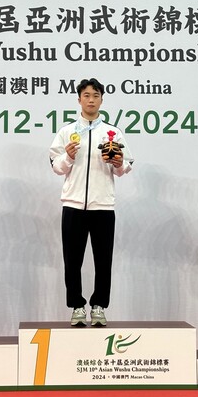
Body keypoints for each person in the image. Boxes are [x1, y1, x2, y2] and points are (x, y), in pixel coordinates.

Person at [49, 78, 133, 327]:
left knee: (103, 260)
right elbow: (56, 166)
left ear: (101, 100)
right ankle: (76, 306)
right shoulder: (67, 131)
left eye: (96, 95)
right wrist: (68, 156)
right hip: (73, 205)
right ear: (79, 99)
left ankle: (99, 306)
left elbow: (125, 165)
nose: (91, 100)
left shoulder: (113, 132)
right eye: (86, 95)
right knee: (72, 260)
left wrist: (118, 163)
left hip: (103, 206)